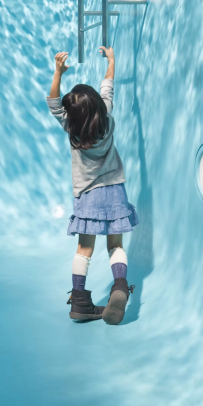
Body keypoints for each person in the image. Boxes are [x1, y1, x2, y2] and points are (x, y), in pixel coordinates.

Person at [47, 46, 138, 325]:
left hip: (87, 196)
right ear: (98, 105)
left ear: (71, 116)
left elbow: (53, 103)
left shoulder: (71, 126)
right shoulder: (106, 117)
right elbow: (107, 87)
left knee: (84, 250)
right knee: (115, 245)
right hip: (114, 191)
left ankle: (80, 303)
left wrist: (58, 73)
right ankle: (120, 287)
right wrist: (111, 60)